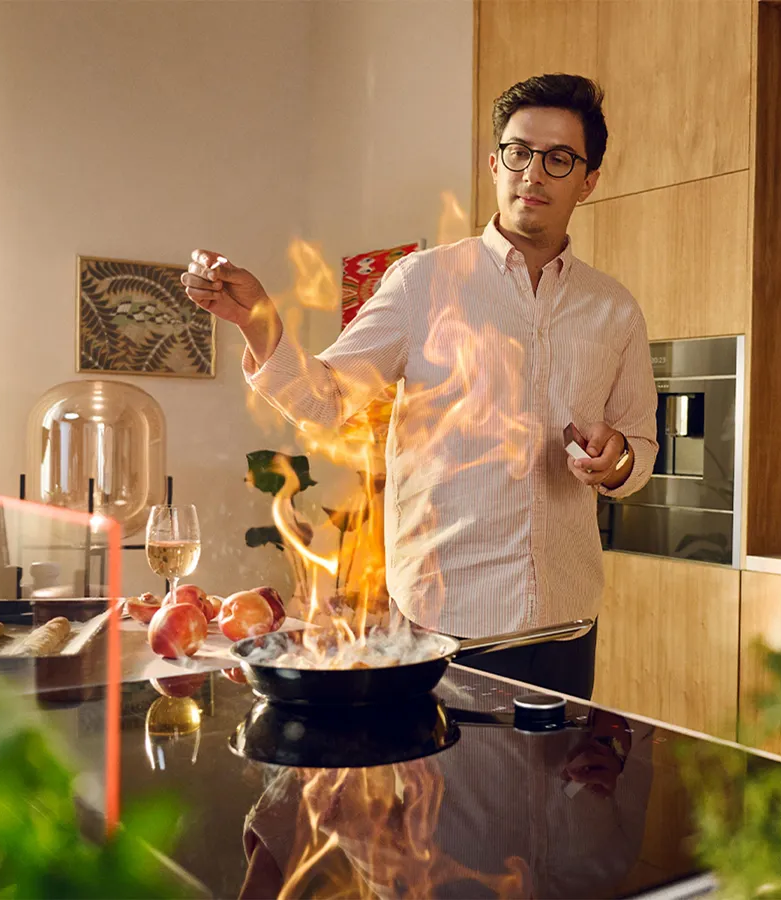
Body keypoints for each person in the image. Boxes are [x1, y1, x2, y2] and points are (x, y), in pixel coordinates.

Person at [182, 74, 658, 698]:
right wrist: (257, 320)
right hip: (444, 628)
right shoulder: (423, 283)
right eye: (518, 153)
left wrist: (616, 455)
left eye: (559, 159)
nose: (533, 174)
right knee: (446, 795)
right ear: (494, 164)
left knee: (555, 799)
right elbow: (325, 401)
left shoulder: (614, 309)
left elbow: (642, 448)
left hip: (566, 629)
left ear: (587, 180)